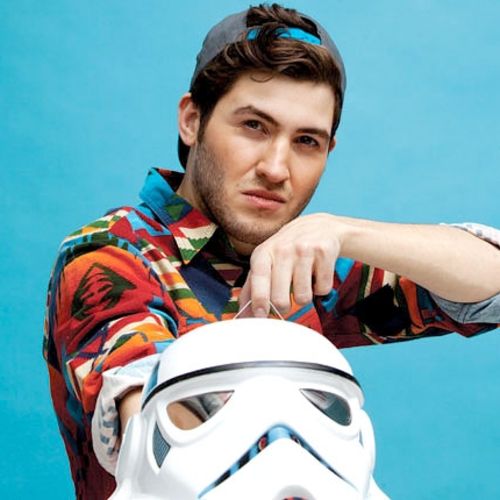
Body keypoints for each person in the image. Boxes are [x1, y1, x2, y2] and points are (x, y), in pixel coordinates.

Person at [43, 3, 500, 499]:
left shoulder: (302, 260)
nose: (277, 168)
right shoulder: (109, 255)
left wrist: (344, 231)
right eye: (254, 126)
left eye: (306, 141)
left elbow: (490, 284)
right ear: (192, 120)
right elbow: (158, 437)